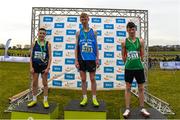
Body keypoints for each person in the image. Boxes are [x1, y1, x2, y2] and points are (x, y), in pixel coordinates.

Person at [121, 22, 150, 118]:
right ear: (127, 30)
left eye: (133, 29)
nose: (131, 31)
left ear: (135, 30)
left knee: (141, 88)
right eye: (129, 29)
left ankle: (142, 108)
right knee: (128, 88)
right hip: (129, 68)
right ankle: (127, 109)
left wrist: (138, 59)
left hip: (139, 68)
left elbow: (142, 56)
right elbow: (123, 56)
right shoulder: (124, 42)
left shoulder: (140, 41)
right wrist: (128, 62)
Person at [75, 13, 100, 107]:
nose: (83, 20)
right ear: (80, 20)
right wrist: (76, 59)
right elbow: (76, 47)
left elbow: (96, 46)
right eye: (82, 19)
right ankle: (84, 98)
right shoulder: (78, 33)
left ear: (88, 19)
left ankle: (94, 98)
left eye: (85, 18)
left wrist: (97, 58)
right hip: (81, 59)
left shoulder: (94, 32)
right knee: (83, 79)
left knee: (92, 79)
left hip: (91, 59)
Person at [27, 28, 52, 108]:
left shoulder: (48, 44)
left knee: (45, 83)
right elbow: (31, 57)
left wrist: (48, 68)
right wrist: (31, 67)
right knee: (34, 83)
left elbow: (50, 57)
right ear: (38, 34)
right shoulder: (34, 43)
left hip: (44, 66)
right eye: (40, 33)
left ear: (45, 35)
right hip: (35, 66)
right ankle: (34, 100)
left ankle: (45, 100)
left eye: (43, 33)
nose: (41, 35)